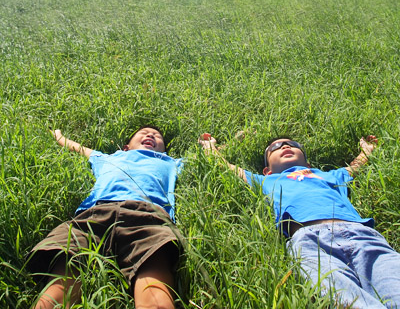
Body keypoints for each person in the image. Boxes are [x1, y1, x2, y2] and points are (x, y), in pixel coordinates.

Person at [198, 133, 400, 309]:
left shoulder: (328, 175)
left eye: (293, 144)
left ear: (308, 164)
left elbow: (355, 166)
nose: (285, 146)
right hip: (310, 242)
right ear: (267, 170)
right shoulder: (267, 181)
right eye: (275, 147)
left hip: (361, 234)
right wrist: (209, 146)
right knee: (342, 298)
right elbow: (227, 168)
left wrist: (367, 150)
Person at [28, 126, 183, 309]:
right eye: (143, 133)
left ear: (164, 151)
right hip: (95, 215)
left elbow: (205, 160)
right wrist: (58, 136)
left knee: (154, 285)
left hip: (147, 216)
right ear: (126, 147)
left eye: (157, 136)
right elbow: (78, 148)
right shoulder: (108, 158)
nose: (151, 135)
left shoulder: (170, 162)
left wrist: (209, 145)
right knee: (61, 282)